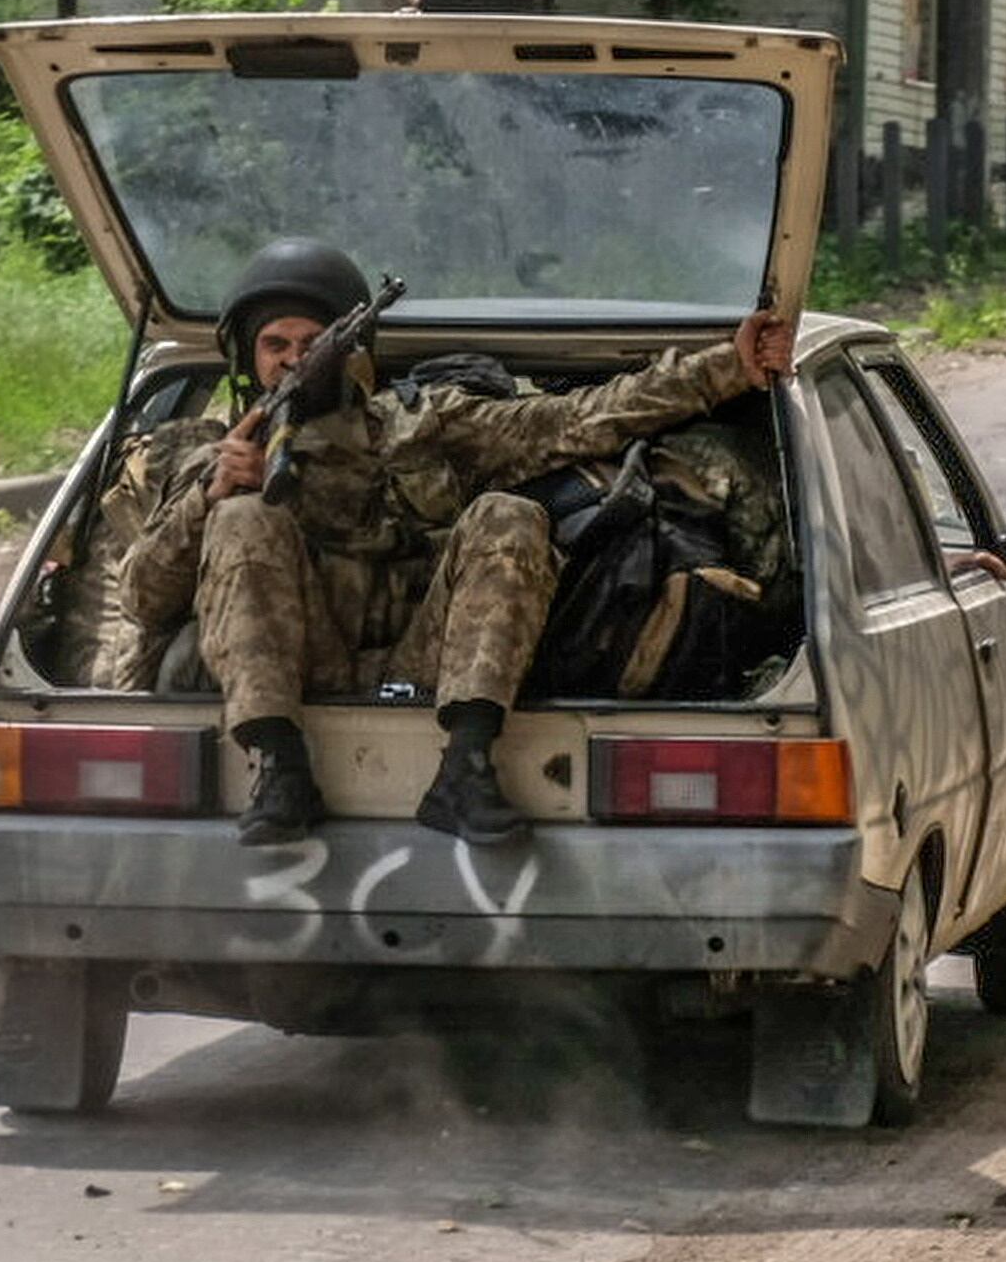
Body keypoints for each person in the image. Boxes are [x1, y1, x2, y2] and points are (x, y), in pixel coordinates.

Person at [112, 240, 801, 845]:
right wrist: (210, 498)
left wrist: (725, 369)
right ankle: (281, 769)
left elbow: (577, 420)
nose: (295, 360)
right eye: (275, 345)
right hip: (299, 664)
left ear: (352, 349)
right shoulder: (216, 454)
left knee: (508, 512)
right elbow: (143, 598)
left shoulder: (424, 425)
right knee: (242, 519)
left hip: (429, 660)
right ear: (246, 354)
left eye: (312, 341)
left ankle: (466, 767)